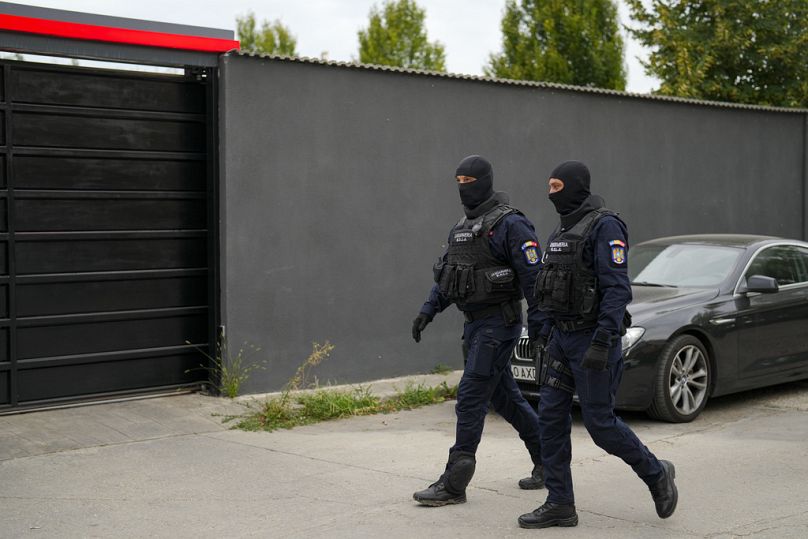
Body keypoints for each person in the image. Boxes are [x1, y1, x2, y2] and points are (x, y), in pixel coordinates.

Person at [517, 161, 678, 529]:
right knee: (551, 419)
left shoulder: (605, 226)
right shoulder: (562, 228)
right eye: (548, 186)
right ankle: (560, 503)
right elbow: (547, 282)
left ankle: (657, 475)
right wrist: (541, 328)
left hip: (593, 340)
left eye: (556, 185)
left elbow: (617, 289)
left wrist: (604, 341)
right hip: (561, 340)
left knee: (601, 425)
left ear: (575, 186)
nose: (550, 192)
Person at [411, 155, 546, 506]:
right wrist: (428, 311)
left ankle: (455, 482)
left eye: (469, 180)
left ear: (484, 181)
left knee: (470, 396)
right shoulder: (461, 228)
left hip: (498, 324)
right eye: (458, 180)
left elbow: (535, 281)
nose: (463, 187)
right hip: (474, 327)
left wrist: (542, 326)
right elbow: (448, 276)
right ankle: (549, 460)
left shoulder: (512, 225)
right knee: (506, 398)